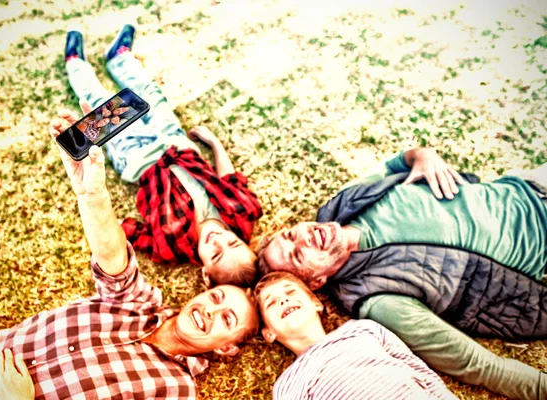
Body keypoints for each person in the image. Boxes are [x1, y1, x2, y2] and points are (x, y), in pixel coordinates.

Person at [0, 109, 260, 400]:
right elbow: (112, 258)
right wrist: (91, 193)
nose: (210, 311)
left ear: (227, 349)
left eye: (226, 319)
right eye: (216, 299)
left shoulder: (176, 391)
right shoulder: (141, 304)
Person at [257, 147, 547, 399]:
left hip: (523, 185)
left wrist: (422, 155)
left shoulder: (346, 202)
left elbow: (398, 163)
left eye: (291, 234)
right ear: (315, 283)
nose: (304, 238)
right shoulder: (378, 300)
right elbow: (476, 364)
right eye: (297, 255)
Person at [64, 23, 262, 287]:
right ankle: (120, 59)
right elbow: (230, 179)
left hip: (138, 158)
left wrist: (96, 206)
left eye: (215, 254)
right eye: (232, 242)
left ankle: (75, 64)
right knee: (152, 95)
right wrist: (213, 142)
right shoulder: (242, 215)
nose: (218, 239)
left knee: (100, 103)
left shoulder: (170, 246)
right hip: (179, 145)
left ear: (205, 272)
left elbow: (124, 230)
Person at [254, 271, 456, 399]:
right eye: (271, 303)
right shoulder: (289, 384)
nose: (283, 300)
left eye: (290, 292)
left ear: (316, 303)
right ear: (268, 333)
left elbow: (417, 368)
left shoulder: (362, 330)